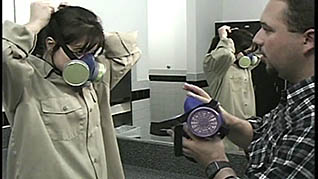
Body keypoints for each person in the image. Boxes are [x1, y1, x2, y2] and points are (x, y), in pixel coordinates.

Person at [168, 0, 315, 178]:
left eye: (268, 29)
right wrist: (226, 119)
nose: (257, 39)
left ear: (308, 40)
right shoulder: (296, 100)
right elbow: (263, 135)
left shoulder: (310, 118)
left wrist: (215, 161)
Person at [2, 1, 141, 179]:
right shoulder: (24, 81)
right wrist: (36, 24)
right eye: (79, 52)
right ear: (51, 44)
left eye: (91, 53)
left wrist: (89, 30)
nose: (87, 62)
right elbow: (6, 54)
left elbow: (127, 52)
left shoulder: (93, 82)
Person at [203, 25, 260, 154]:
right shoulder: (216, 65)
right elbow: (224, 55)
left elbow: (258, 58)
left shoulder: (243, 66)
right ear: (235, 48)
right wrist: (224, 37)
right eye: (244, 50)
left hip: (246, 125)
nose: (247, 55)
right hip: (228, 127)